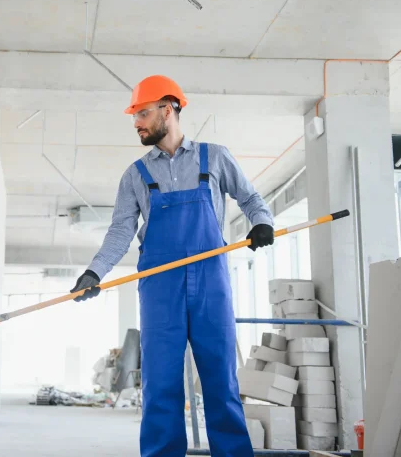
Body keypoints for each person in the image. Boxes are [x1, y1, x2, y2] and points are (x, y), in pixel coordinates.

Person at [71, 75, 274, 456]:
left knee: (220, 383)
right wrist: (94, 272)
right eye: (135, 116)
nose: (137, 123)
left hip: (210, 284)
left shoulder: (214, 157)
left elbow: (249, 197)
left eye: (143, 113)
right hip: (160, 287)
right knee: (160, 385)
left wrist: (261, 222)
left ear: (168, 109)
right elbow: (120, 232)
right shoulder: (135, 175)